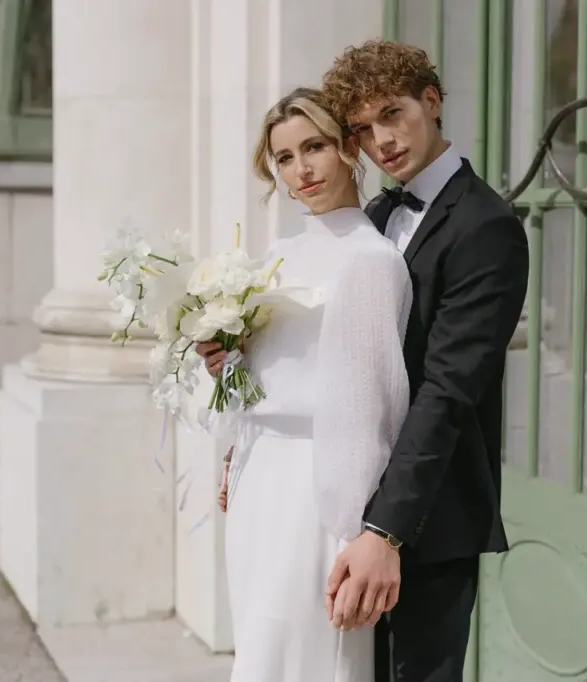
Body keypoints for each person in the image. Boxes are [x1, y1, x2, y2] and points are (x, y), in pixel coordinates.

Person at [206, 39, 531, 680]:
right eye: (361, 128)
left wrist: (382, 532)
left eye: (393, 114)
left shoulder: (485, 226)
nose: (381, 140)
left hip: (424, 514)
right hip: (340, 505)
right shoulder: (368, 218)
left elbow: (447, 390)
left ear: (431, 102)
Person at [207, 86, 413, 682]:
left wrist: (358, 531)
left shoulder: (372, 261)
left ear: (350, 147)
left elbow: (371, 405)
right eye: (285, 158)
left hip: (319, 488)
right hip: (258, 478)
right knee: (258, 649)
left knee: (304, 660)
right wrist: (225, 366)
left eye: (314, 147)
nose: (302, 169)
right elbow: (265, 378)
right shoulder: (276, 255)